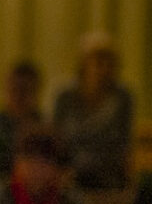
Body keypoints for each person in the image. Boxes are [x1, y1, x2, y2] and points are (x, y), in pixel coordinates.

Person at [52, 31, 134, 189]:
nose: (104, 68)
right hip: (70, 174)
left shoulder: (123, 98)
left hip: (108, 175)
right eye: (98, 61)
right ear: (83, 63)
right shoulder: (65, 96)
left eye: (109, 62)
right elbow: (55, 140)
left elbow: (124, 145)